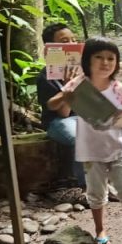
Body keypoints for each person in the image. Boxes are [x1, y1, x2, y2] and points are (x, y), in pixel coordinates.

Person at [48, 37, 122, 244]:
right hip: (90, 151)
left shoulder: (120, 89)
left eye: (111, 58)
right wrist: (66, 95)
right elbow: (52, 104)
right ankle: (100, 230)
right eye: (98, 57)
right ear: (87, 60)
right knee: (95, 193)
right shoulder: (79, 84)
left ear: (117, 62)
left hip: (117, 148)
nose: (105, 62)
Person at [37, 22, 84, 186]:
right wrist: (69, 85)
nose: (72, 45)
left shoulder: (84, 71)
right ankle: (89, 185)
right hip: (59, 122)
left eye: (73, 40)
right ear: (51, 49)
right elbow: (63, 113)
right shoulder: (45, 77)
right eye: (65, 42)